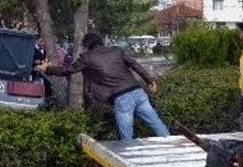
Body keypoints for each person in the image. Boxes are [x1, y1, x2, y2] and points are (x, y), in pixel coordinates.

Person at [35, 32, 169, 141]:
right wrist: (150, 81)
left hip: (121, 98)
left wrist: (47, 68)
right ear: (101, 41)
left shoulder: (87, 57)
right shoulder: (117, 50)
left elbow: (68, 70)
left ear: (86, 45)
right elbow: (135, 64)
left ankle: (129, 163)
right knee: (155, 122)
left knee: (126, 136)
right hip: (137, 91)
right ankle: (170, 145)